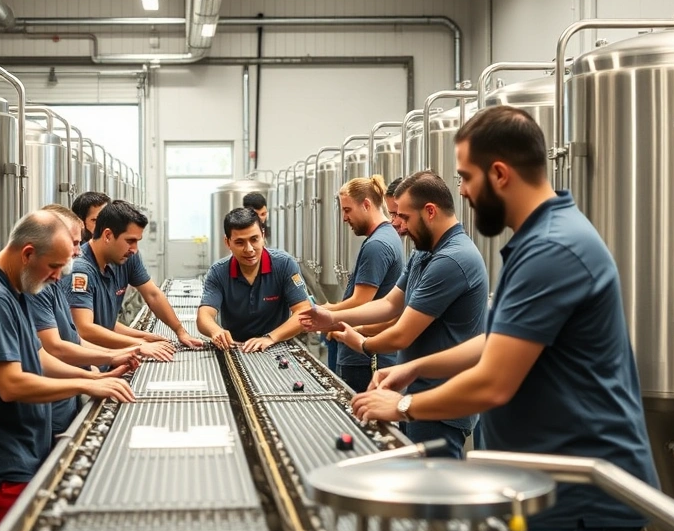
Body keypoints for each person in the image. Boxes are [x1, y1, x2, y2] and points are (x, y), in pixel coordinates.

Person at [351, 106, 659, 531]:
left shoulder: (553, 249)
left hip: (580, 497)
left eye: (466, 178)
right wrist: (412, 370)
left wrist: (403, 407)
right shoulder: (537, 240)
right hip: (547, 485)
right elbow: (494, 343)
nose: (464, 192)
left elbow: (494, 381)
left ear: (498, 173)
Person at [0, 211, 135, 531]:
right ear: (28, 253)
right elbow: (12, 384)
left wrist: (100, 368)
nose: (57, 276)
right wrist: (86, 384)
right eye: (53, 267)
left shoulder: (13, 290)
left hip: (20, 456)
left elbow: (39, 357)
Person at [300, 171, 487, 456]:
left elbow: (402, 333)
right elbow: (389, 304)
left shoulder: (453, 259)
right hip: (414, 393)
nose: (398, 225)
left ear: (430, 212)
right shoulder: (424, 252)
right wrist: (334, 317)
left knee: (435, 490)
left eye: (405, 217)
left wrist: (362, 344)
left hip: (440, 403)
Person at [27, 204, 142, 442]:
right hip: (45, 410)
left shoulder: (54, 284)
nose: (79, 252)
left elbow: (73, 337)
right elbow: (52, 348)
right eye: (74, 243)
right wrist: (97, 372)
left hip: (63, 401)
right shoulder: (27, 291)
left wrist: (114, 356)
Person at [63, 200, 203, 353]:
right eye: (130, 241)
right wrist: (139, 344)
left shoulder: (127, 258)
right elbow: (84, 330)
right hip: (90, 364)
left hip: (110, 357)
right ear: (108, 235)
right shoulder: (81, 271)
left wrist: (179, 331)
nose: (134, 249)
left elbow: (153, 295)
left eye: (137, 241)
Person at [319, 175, 404, 392]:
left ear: (366, 205)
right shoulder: (386, 237)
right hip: (365, 349)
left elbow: (361, 301)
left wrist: (328, 313)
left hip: (363, 358)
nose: (344, 218)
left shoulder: (377, 245)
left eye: (347, 210)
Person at [198, 207, 311, 352]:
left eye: (254, 239)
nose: (249, 249)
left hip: (277, 345)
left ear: (263, 235)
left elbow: (303, 311)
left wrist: (270, 338)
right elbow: (204, 314)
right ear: (228, 242)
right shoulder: (218, 272)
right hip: (235, 348)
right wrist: (215, 331)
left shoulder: (284, 265)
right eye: (240, 242)